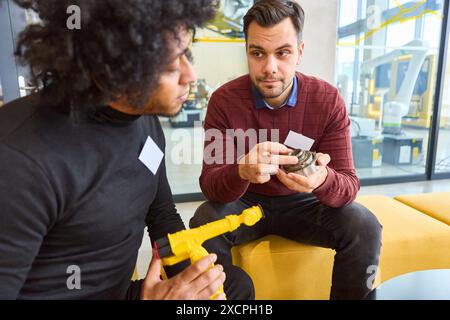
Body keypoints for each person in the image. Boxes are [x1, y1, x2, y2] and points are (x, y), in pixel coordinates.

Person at [0, 0, 227, 300]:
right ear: (112, 66)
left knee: (234, 286)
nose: (190, 75)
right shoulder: (19, 159)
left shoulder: (144, 121)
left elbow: (163, 217)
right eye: (170, 64)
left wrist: (192, 280)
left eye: (186, 52)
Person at [190, 0, 383, 300]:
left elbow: (348, 185)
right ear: (247, 52)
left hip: (305, 204)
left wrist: (321, 180)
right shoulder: (223, 102)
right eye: (258, 53)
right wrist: (241, 170)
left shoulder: (326, 100)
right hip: (246, 202)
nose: (270, 68)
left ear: (300, 52)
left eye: (283, 53)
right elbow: (210, 185)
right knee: (205, 219)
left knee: (364, 225)